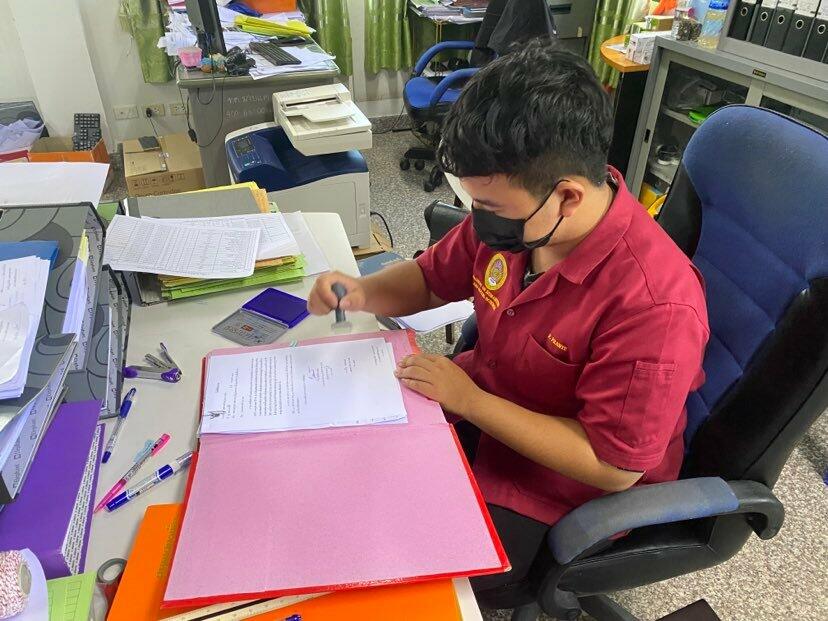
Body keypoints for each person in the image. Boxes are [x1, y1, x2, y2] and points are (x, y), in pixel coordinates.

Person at [307, 40, 709, 601]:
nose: (478, 220)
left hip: (558, 488)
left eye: (491, 208)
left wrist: (471, 402)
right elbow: (429, 279)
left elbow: (610, 465)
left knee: (398, 571)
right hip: (482, 403)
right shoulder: (523, 216)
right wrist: (360, 292)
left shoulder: (655, 304)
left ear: (568, 196)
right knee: (346, 474)